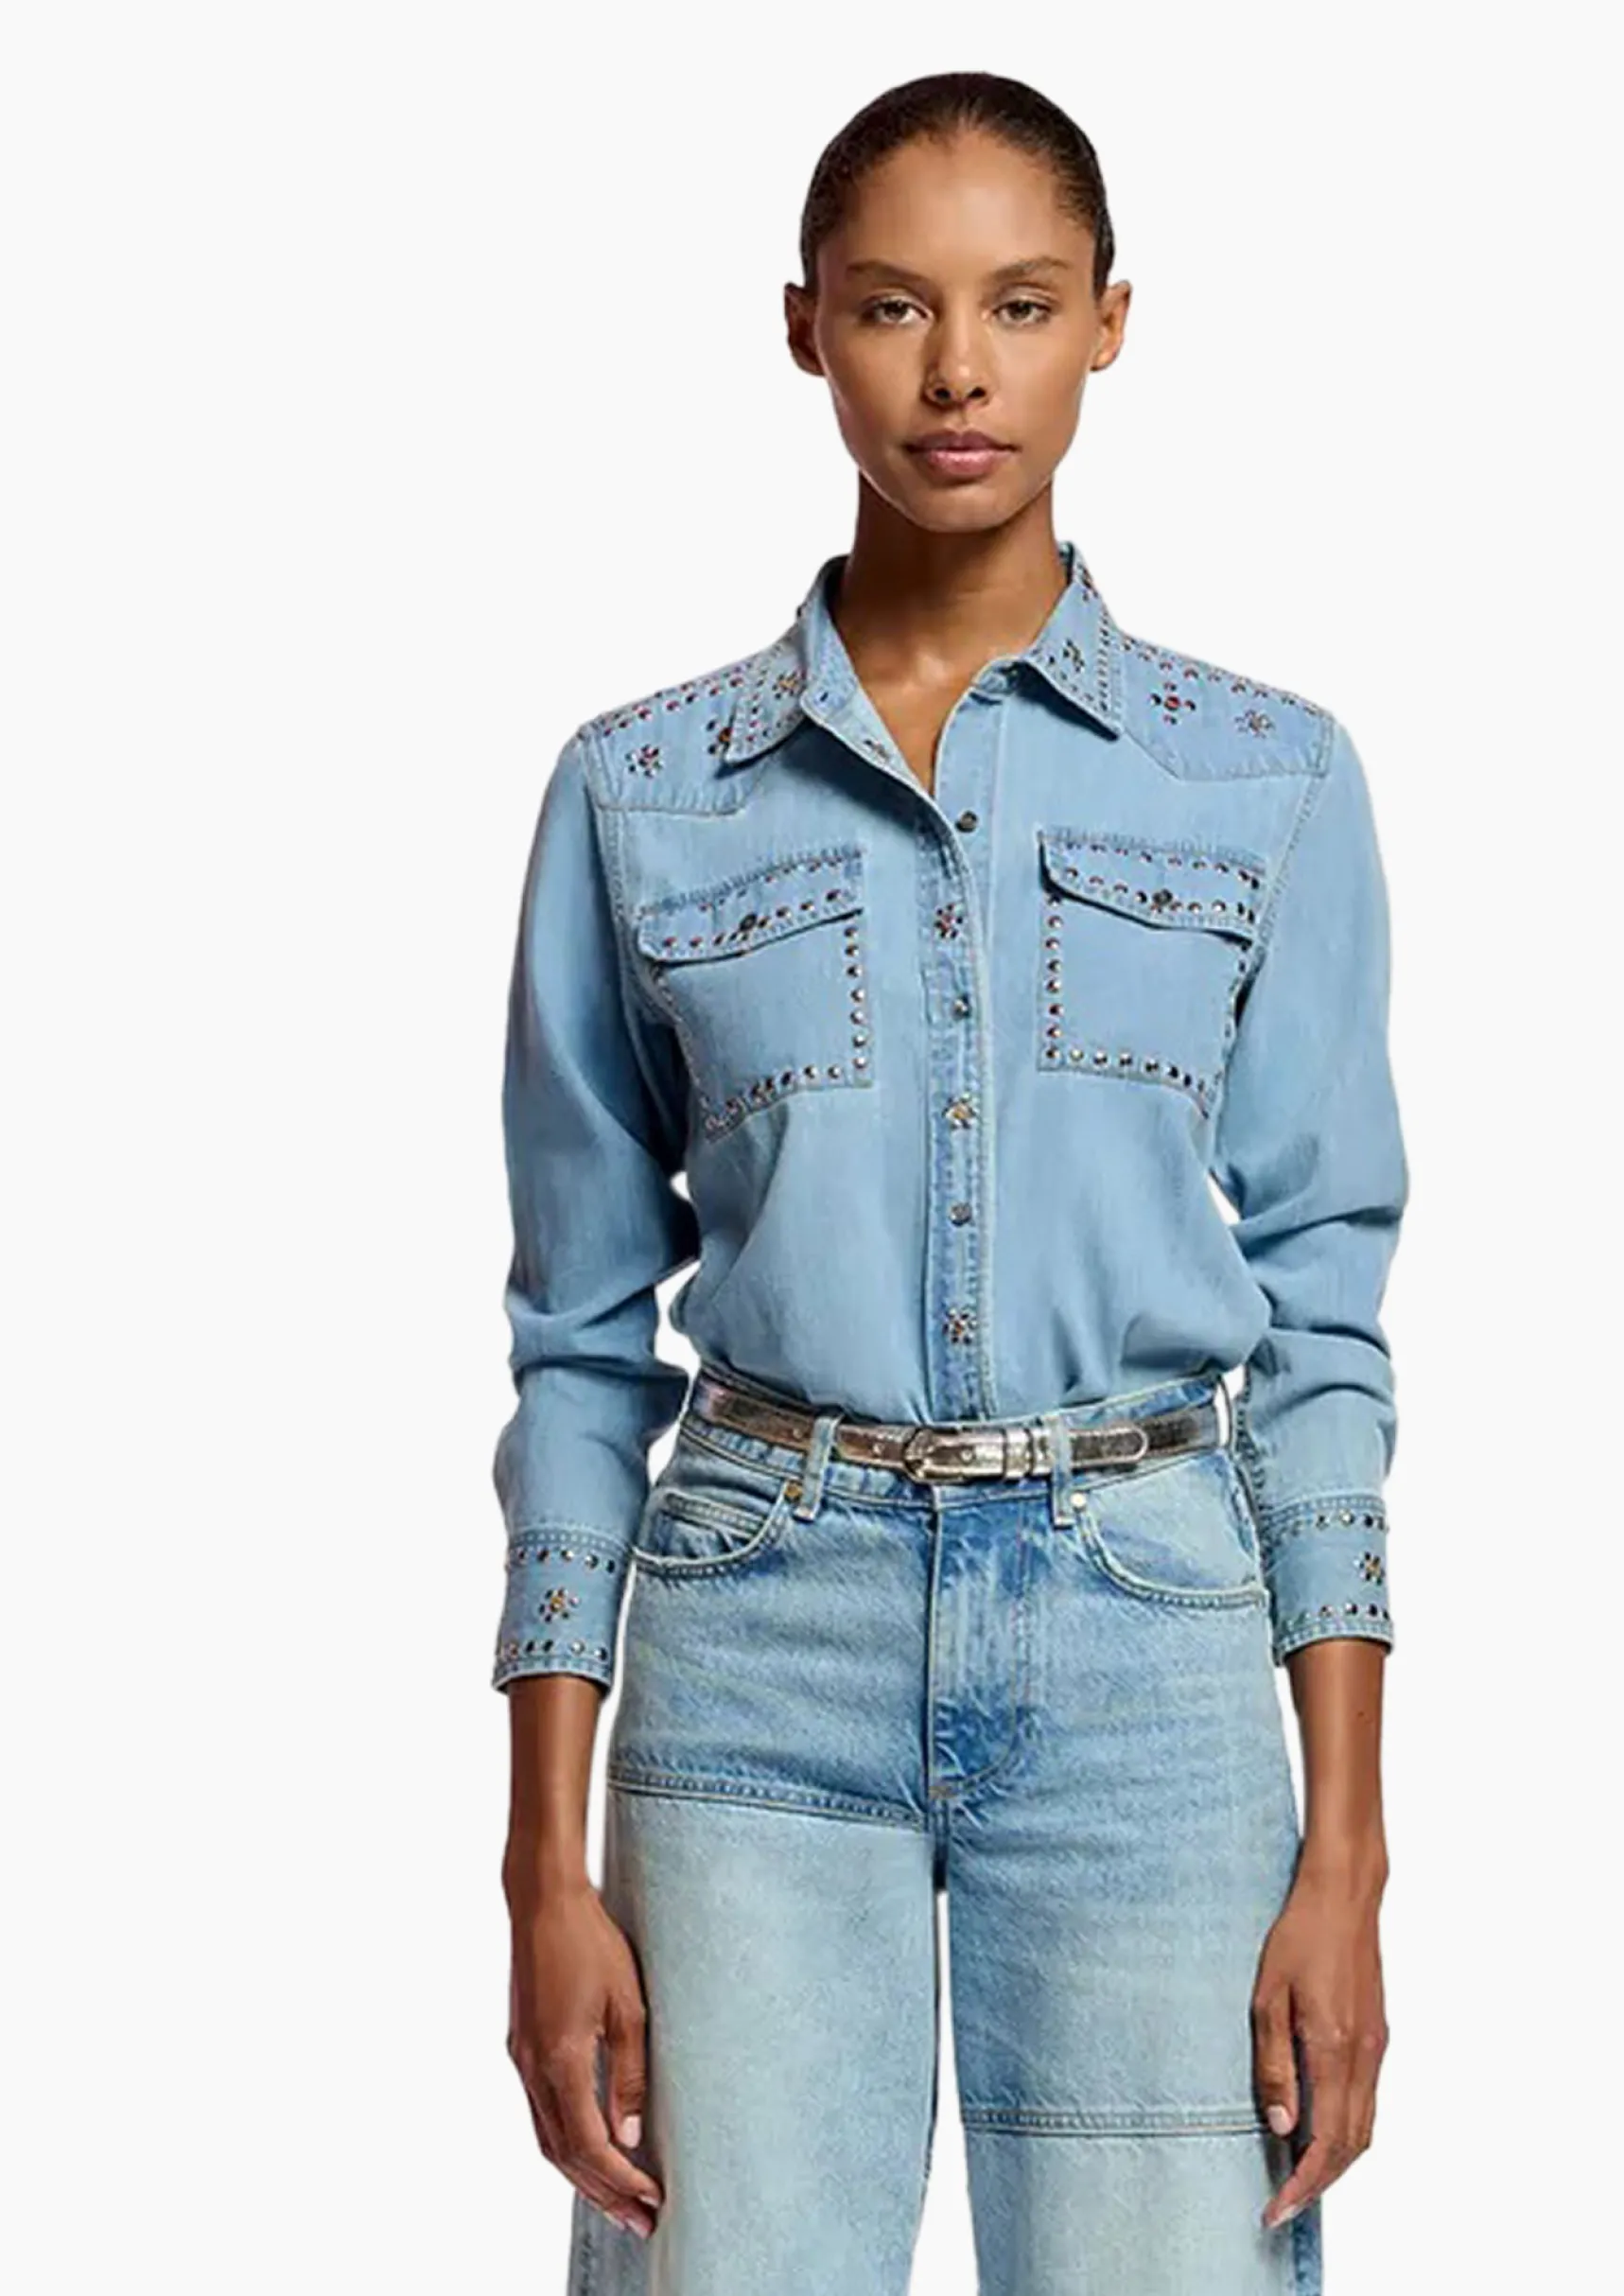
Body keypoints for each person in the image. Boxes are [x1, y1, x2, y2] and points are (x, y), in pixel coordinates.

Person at [493, 69, 1406, 2296]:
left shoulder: (1265, 776)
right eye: (896, 305)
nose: (958, 371)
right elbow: (576, 1342)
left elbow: (1324, 1322)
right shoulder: (639, 792)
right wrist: (538, 1866)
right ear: (805, 326)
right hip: (755, 1636)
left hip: (1145, 1644)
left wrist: (1348, 1855)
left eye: (1019, 302)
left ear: (1110, 322)